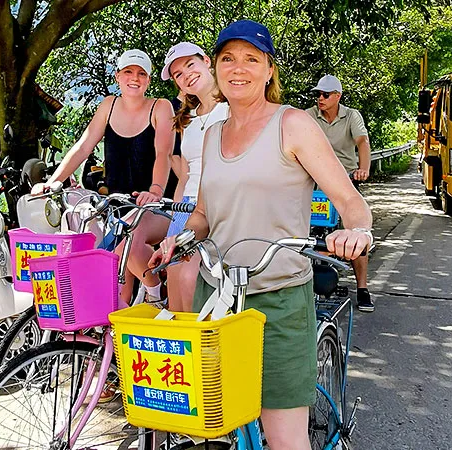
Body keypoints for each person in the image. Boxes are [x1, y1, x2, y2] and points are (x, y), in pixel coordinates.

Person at [150, 20, 372, 450]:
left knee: (285, 437)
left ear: (269, 70)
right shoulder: (211, 134)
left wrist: (356, 230)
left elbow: (349, 200)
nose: (239, 68)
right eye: (228, 58)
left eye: (251, 59)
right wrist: (177, 241)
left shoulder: (292, 125)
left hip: (278, 298)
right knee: (212, 425)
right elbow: (203, 214)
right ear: (215, 69)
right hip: (216, 298)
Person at [31, 49, 175, 305]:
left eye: (142, 74)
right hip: (116, 205)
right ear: (118, 76)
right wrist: (55, 180)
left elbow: (163, 153)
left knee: (126, 235)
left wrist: (154, 190)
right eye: (128, 72)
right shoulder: (108, 106)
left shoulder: (160, 107)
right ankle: (112, 341)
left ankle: (156, 291)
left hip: (156, 205)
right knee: (117, 295)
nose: (135, 78)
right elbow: (84, 145)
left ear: (149, 80)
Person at [159, 41, 229, 312]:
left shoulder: (231, 107)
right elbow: (185, 175)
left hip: (217, 204)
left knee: (190, 277)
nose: (186, 74)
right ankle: (181, 349)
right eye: (178, 73)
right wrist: (175, 220)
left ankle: (201, 347)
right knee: (173, 275)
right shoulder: (186, 118)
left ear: (207, 62)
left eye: (191, 64)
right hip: (187, 205)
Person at [306, 74, 375, 312]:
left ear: (337, 97)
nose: (320, 99)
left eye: (325, 95)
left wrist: (363, 169)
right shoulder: (308, 116)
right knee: (302, 231)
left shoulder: (351, 116)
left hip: (343, 180)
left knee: (355, 232)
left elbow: (362, 141)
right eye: (318, 95)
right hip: (312, 182)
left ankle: (363, 288)